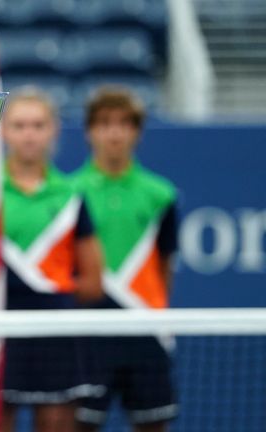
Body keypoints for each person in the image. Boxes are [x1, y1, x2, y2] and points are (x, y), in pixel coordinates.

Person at [72, 87, 179, 432]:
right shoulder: (68, 192)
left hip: (144, 326)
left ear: (137, 132)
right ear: (90, 131)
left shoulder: (161, 194)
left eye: (123, 124)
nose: (114, 133)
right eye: (104, 124)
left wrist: (149, 307)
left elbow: (166, 263)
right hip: (87, 329)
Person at [0, 89, 104, 432]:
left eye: (38, 125)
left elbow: (92, 281)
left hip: (57, 330)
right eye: (19, 125)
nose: (29, 133)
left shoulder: (72, 196)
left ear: (54, 130)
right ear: (4, 131)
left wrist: (55, 299)